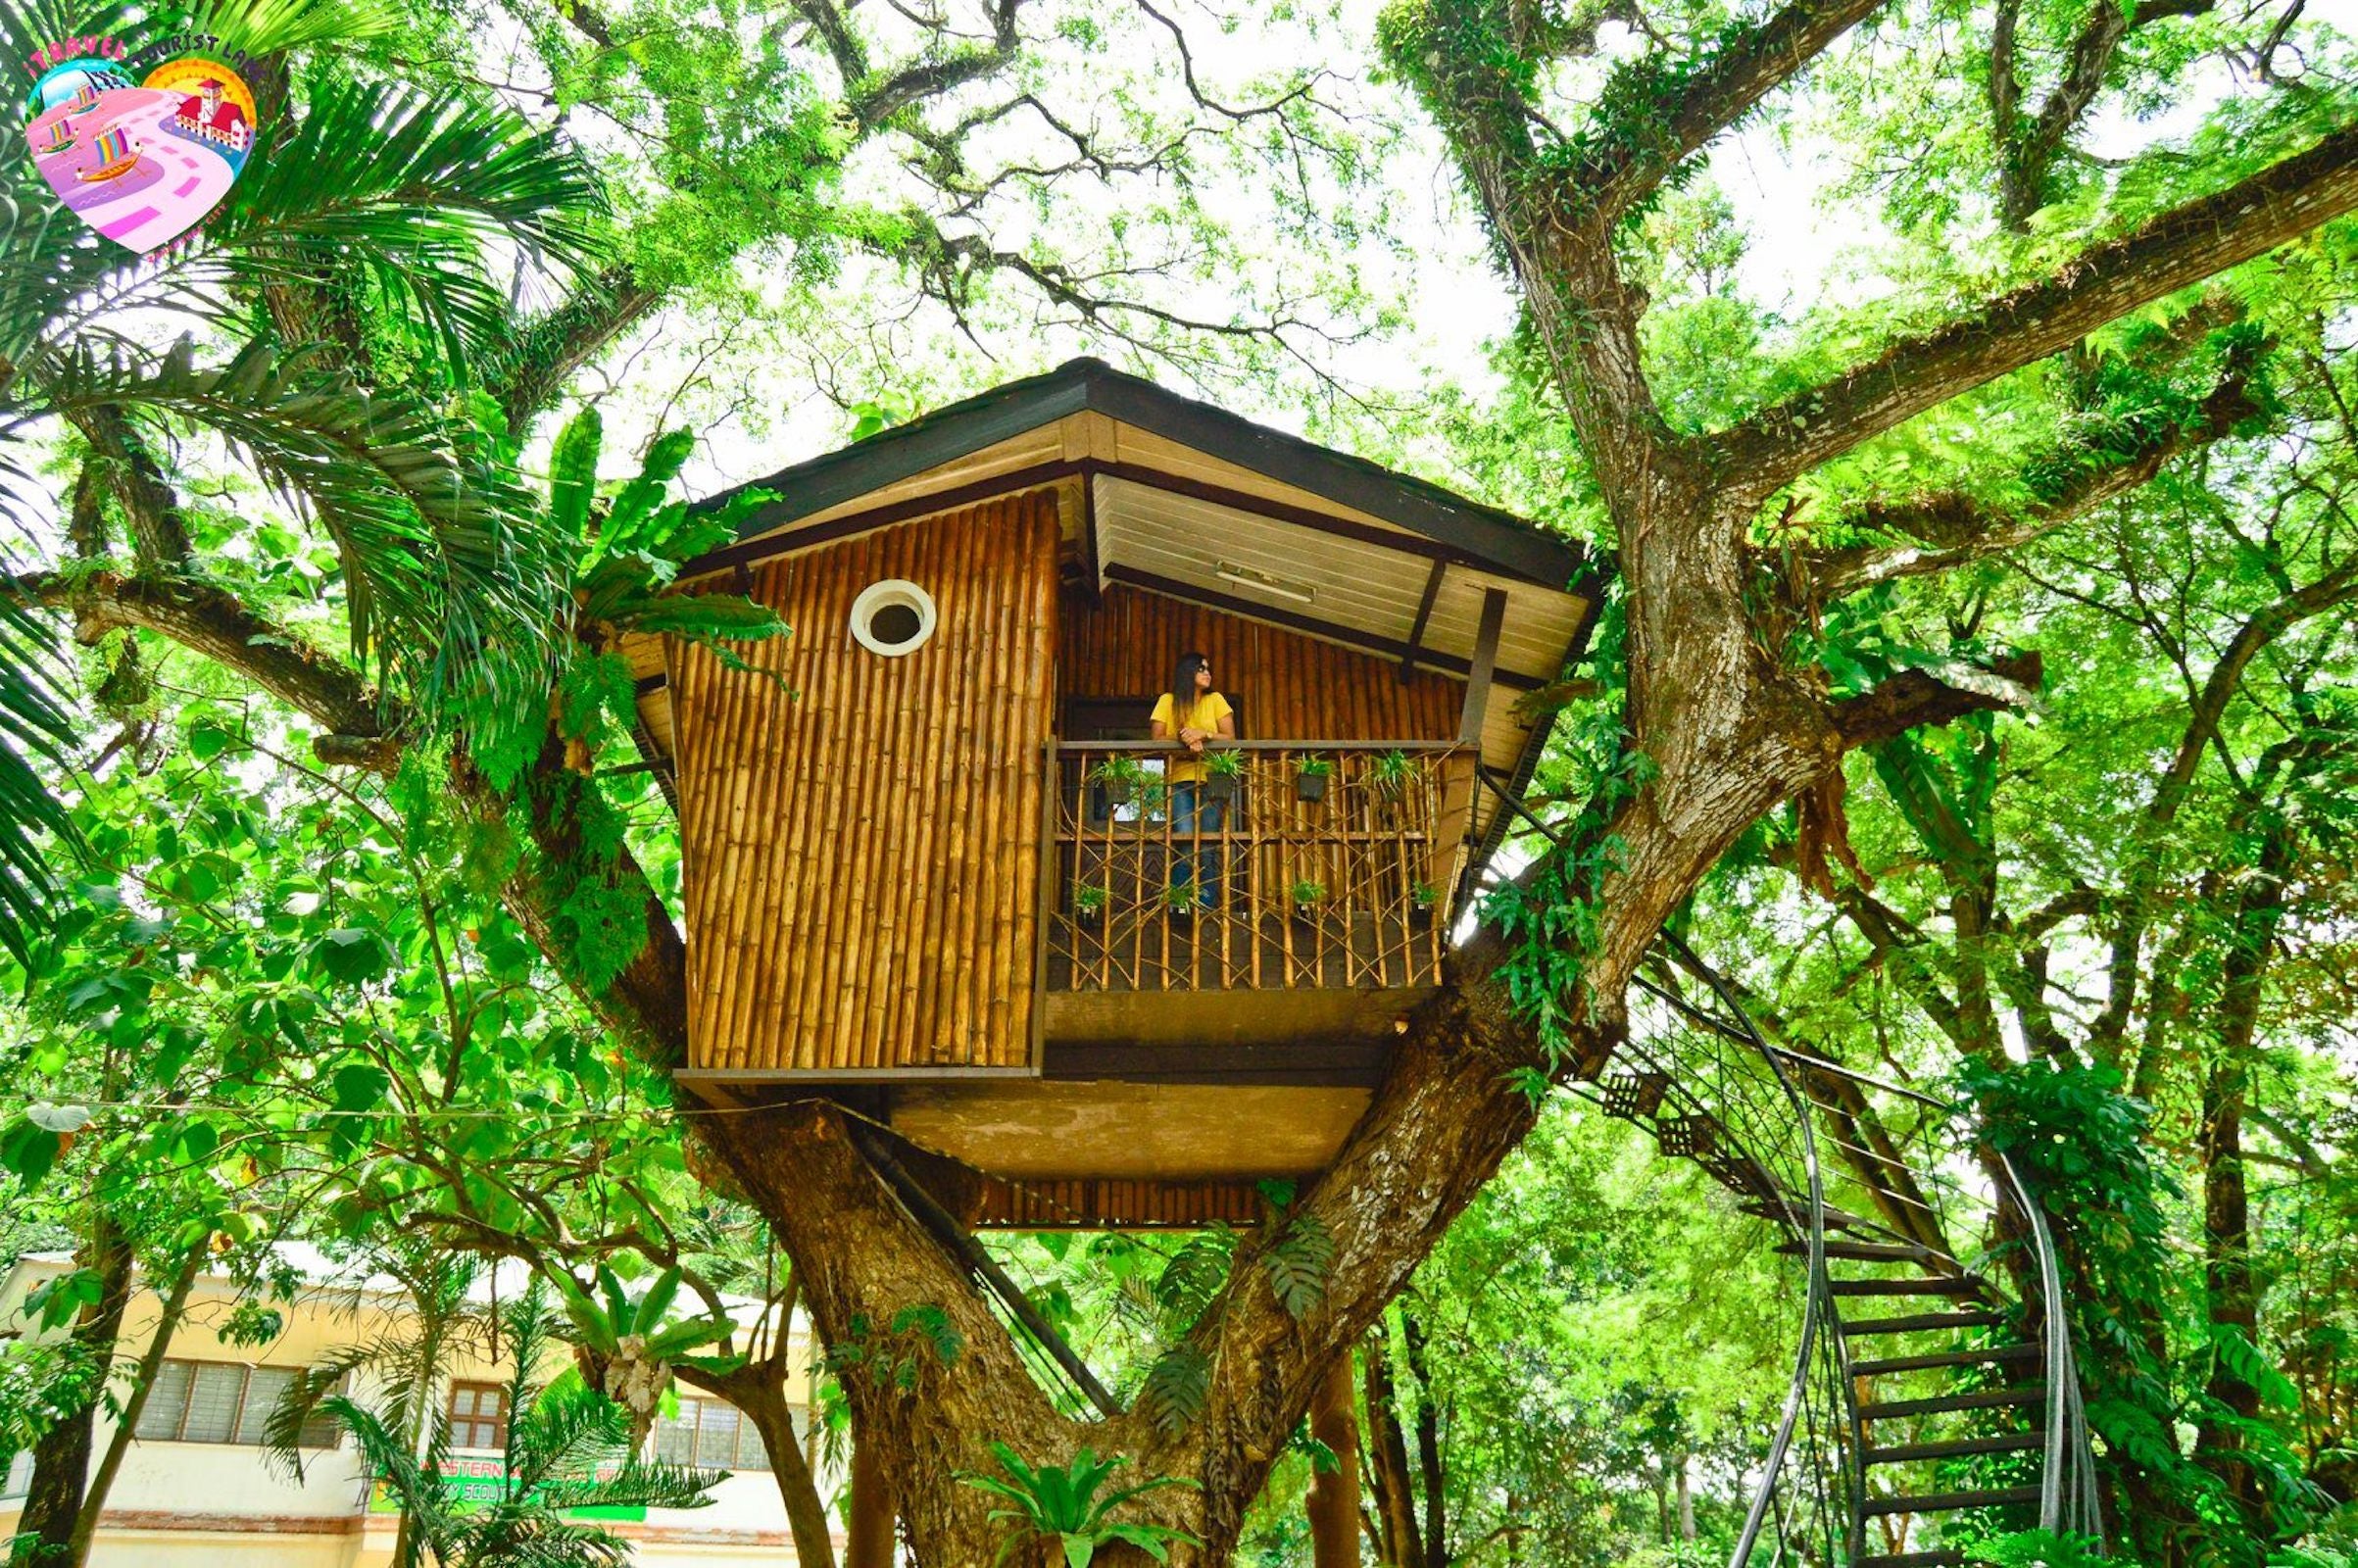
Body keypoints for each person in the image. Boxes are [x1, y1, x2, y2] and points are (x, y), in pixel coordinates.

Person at [1149, 651, 1235, 911]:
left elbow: (1230, 738)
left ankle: (1206, 903)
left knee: (1208, 841)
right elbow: (1156, 739)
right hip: (1180, 780)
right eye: (1201, 669)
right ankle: (1179, 901)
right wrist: (1184, 737)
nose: (1208, 673)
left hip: (1213, 780)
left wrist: (1204, 734)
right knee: (1184, 838)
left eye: (1208, 669)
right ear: (1187, 673)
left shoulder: (1216, 700)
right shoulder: (1169, 701)